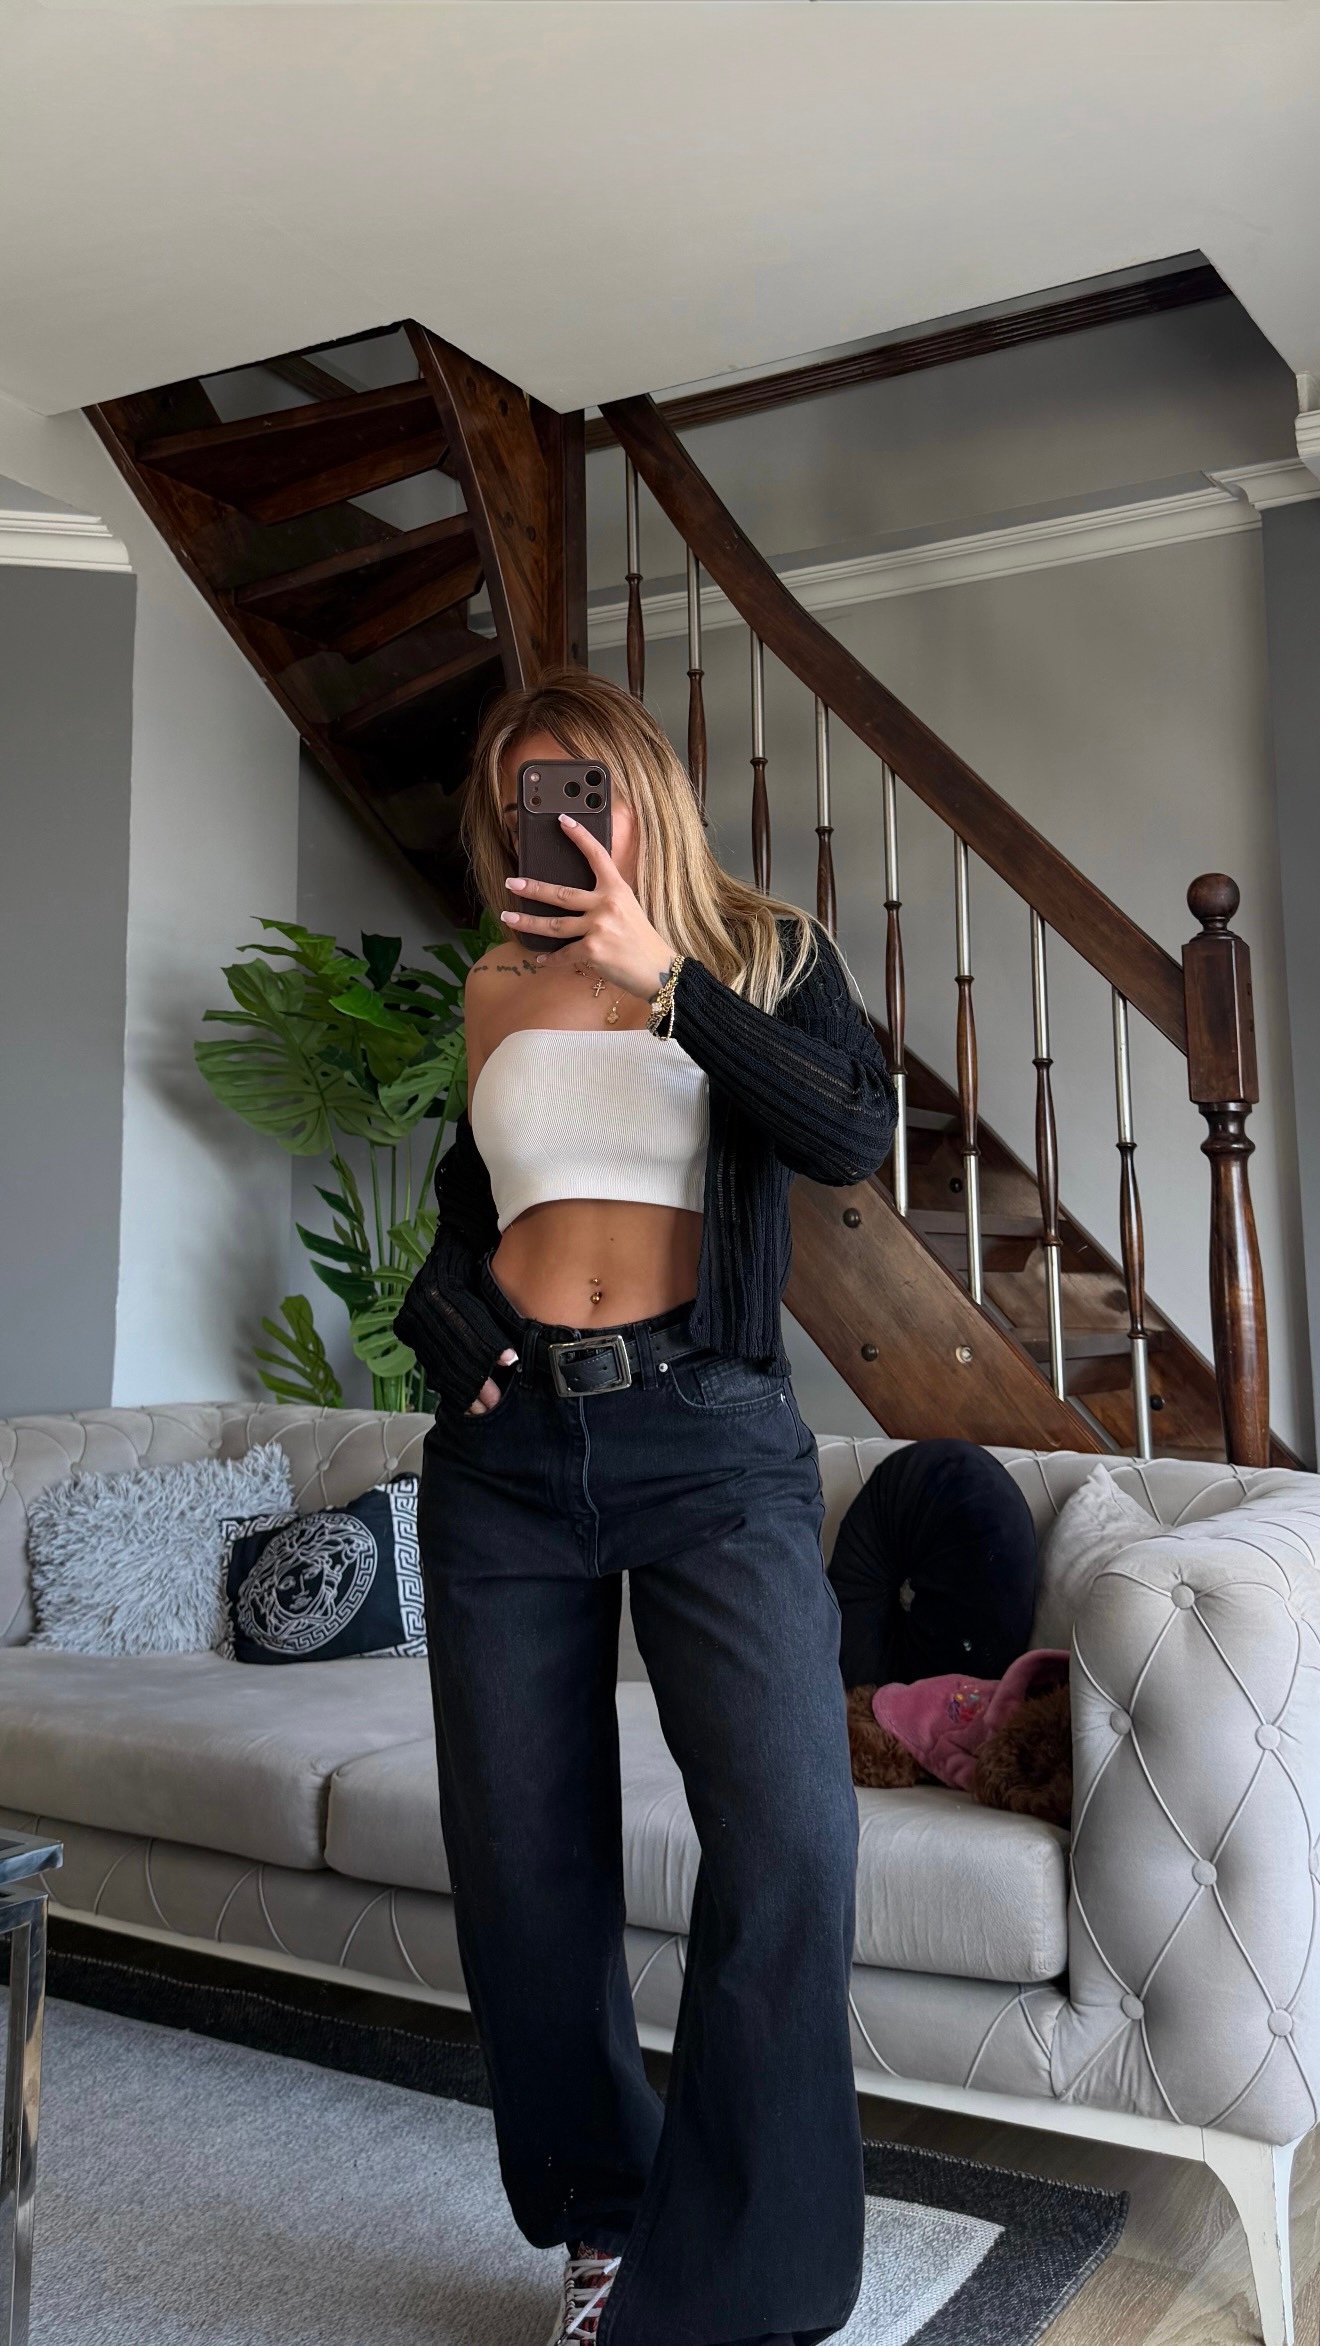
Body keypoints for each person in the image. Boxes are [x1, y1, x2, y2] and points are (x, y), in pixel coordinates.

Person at [394, 668, 898, 2346]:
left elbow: (848, 1133)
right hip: (506, 1460)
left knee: (793, 1838)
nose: (552, 816)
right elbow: (476, 1210)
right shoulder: (491, 985)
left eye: (581, 785)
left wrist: (662, 980)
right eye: (522, 795)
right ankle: (603, 2224)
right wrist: (442, 1315)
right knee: (522, 1862)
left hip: (712, 1437)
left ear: (645, 792)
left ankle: (745, 2279)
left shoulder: (764, 955)